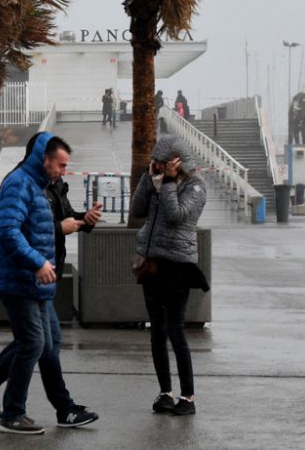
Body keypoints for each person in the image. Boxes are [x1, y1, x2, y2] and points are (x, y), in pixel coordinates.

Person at [0, 133, 102, 430]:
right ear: (44, 159)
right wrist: (37, 262)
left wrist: (81, 221)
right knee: (33, 342)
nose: (64, 171)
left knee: (46, 342)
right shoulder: (19, 184)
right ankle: (13, 413)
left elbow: (40, 227)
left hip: (35, 281)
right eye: (61, 165)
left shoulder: (41, 186)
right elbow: (7, 231)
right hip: (18, 279)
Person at [130, 134, 209, 416]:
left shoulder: (196, 186)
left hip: (178, 264)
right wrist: (148, 181)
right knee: (157, 330)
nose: (160, 167)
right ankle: (165, 392)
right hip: (151, 261)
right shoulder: (157, 180)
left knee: (175, 329)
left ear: (178, 161)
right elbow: (138, 210)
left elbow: (177, 215)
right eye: (157, 162)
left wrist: (170, 183)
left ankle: (187, 397)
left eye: (165, 163)